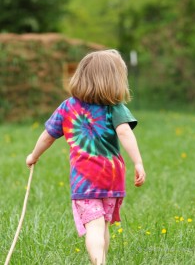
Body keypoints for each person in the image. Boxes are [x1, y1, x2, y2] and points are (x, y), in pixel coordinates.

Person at [26, 49, 146, 265]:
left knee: (94, 227)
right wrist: (137, 162)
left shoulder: (68, 107)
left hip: (85, 181)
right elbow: (125, 132)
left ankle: (98, 263)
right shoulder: (115, 108)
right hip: (112, 177)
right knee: (103, 226)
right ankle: (102, 261)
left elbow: (47, 136)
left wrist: (33, 156)